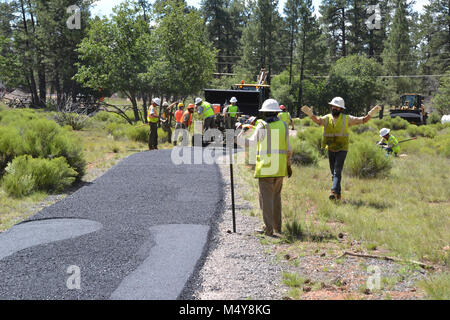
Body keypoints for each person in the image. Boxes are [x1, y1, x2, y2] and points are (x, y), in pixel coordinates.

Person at [301, 97, 381, 200]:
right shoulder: (327, 118)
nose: (334, 108)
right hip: (331, 147)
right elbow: (318, 121)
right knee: (333, 172)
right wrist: (311, 115)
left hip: (342, 148)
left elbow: (363, 120)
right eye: (333, 106)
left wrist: (371, 113)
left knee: (337, 171)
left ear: (341, 109)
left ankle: (333, 191)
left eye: (337, 107)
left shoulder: (347, 118)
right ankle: (337, 195)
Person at [238, 99, 293, 237]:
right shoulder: (284, 126)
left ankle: (269, 230)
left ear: (264, 113)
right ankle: (277, 227)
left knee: (266, 199)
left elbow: (250, 143)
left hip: (266, 169)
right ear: (276, 112)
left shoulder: (262, 126)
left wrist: (239, 135)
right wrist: (288, 165)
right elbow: (289, 149)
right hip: (280, 169)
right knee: (276, 197)